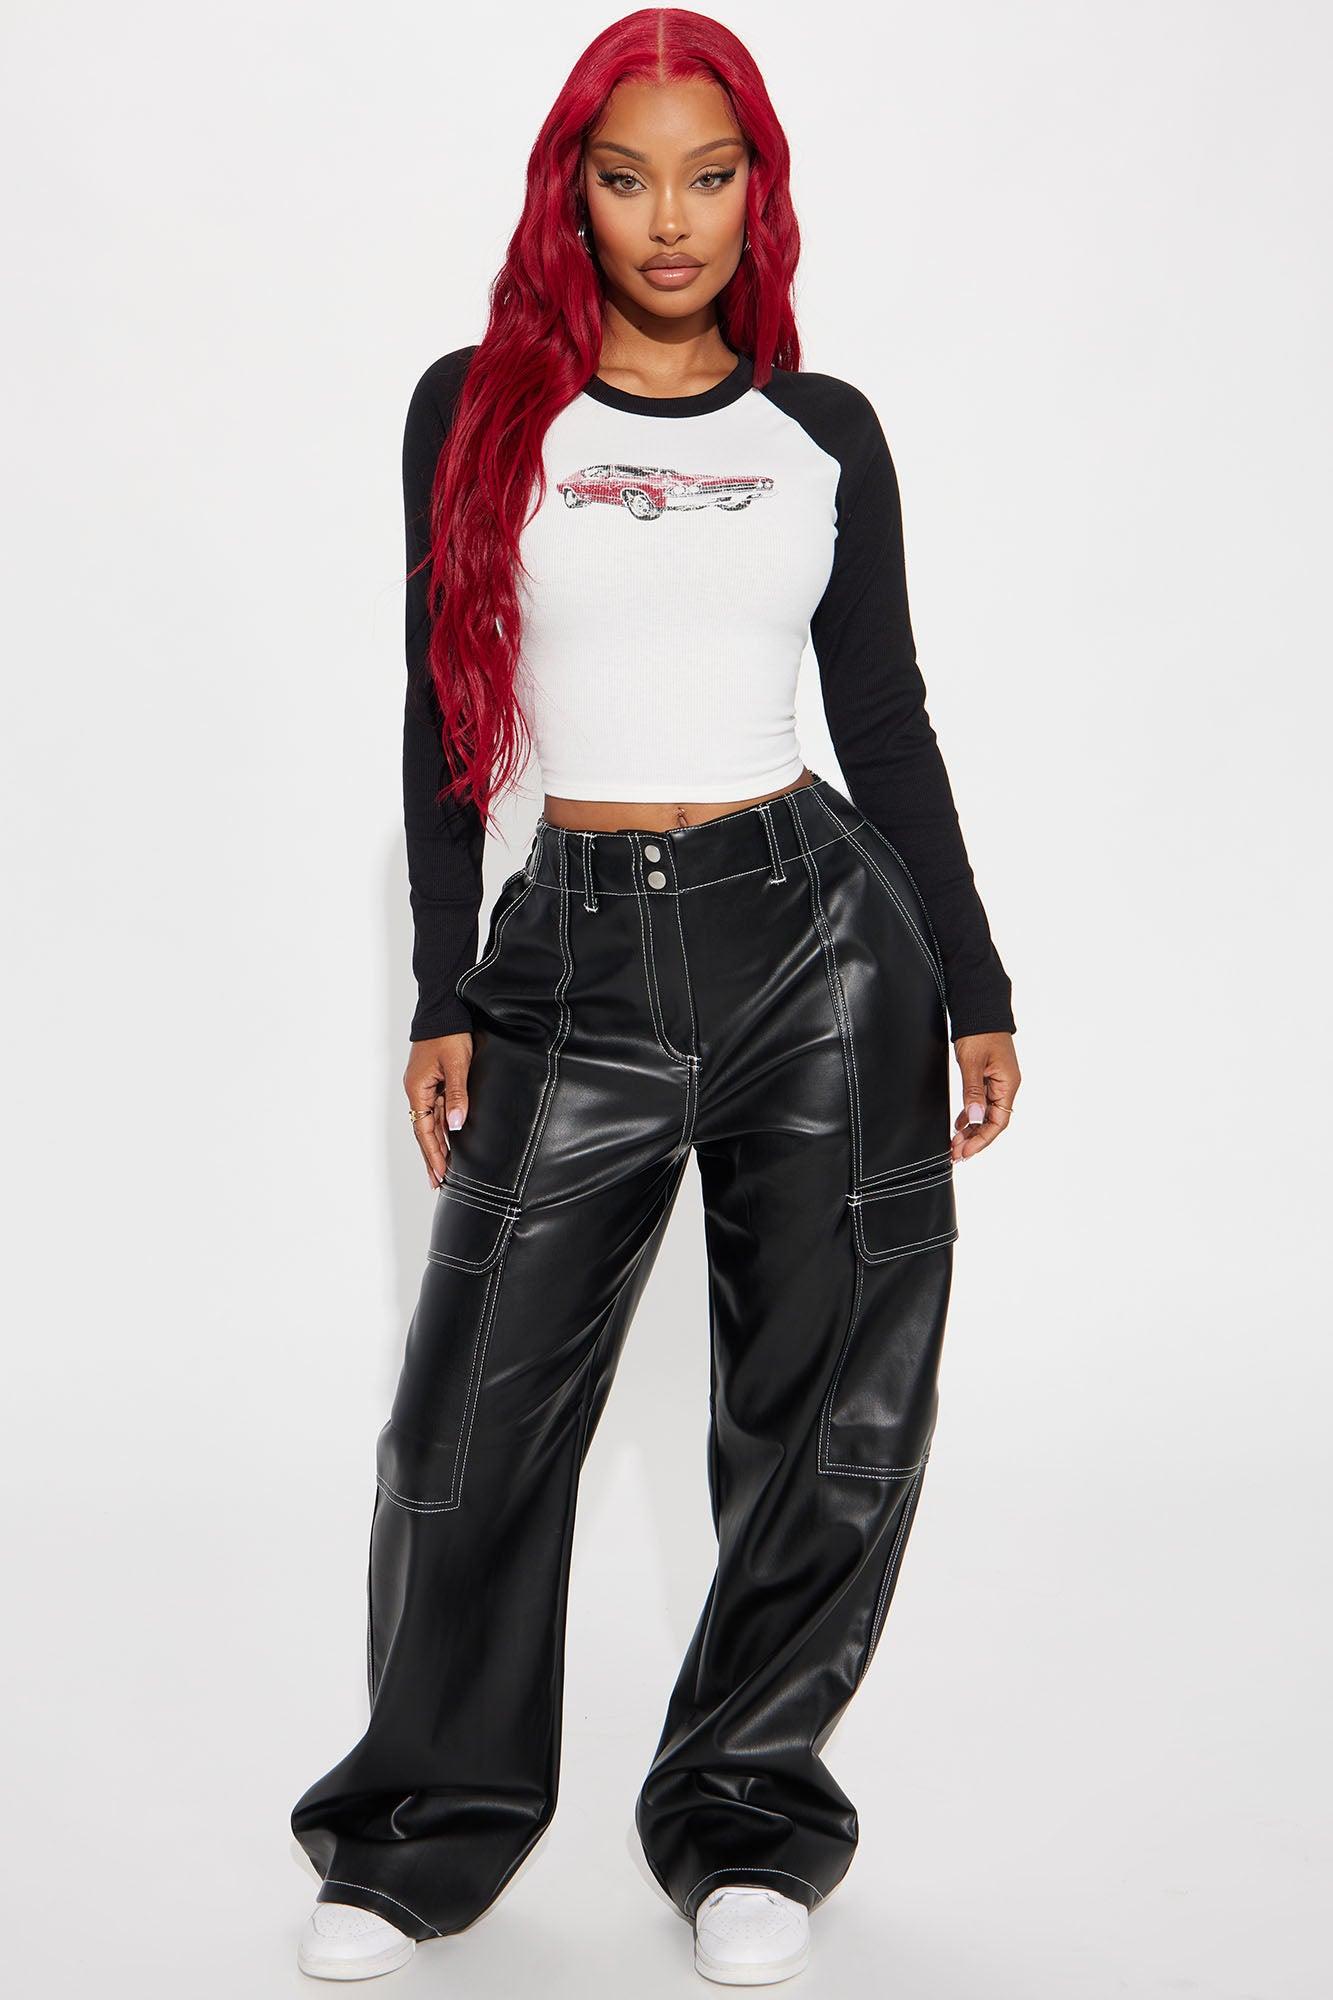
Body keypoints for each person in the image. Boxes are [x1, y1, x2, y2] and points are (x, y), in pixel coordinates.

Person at [291, 8, 1021, 1986]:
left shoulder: (821, 429)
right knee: (467, 1422)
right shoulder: (479, 411)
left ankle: (747, 1816)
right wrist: (444, 986)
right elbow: (449, 714)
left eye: (709, 176)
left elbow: (883, 714)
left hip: (815, 943)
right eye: (628, 180)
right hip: (572, 958)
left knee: (828, 1417)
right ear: (575, 196)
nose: (670, 219)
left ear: (755, 190)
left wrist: (969, 981)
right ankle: (419, 1831)